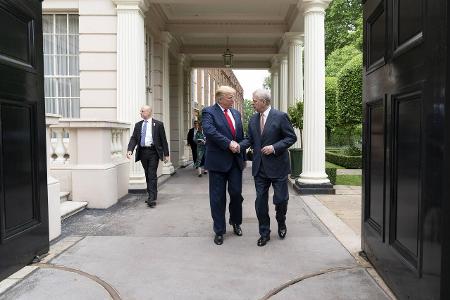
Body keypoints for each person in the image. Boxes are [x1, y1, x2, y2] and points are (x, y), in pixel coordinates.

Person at [240, 89, 297, 247]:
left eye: (255, 101)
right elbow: (249, 140)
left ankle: (281, 222)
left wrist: (274, 147)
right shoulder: (252, 119)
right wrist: (237, 146)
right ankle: (264, 233)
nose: (253, 103)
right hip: (260, 169)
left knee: (280, 200)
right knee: (260, 203)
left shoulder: (280, 116)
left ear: (264, 102)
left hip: (278, 166)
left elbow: (291, 137)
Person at [202, 86, 245, 245]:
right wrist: (228, 144)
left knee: (236, 194)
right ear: (220, 98)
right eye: (230, 97)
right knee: (217, 197)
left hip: (235, 162)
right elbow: (209, 131)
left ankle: (236, 222)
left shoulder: (236, 113)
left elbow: (240, 136)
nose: (233, 100)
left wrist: (242, 154)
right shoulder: (208, 112)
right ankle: (219, 231)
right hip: (217, 162)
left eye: (233, 97)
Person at [127, 105, 170, 208]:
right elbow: (133, 138)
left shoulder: (158, 124)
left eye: (142, 111)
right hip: (142, 152)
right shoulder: (138, 125)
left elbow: (163, 140)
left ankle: (152, 198)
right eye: (140, 111)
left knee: (151, 174)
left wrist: (166, 154)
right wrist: (130, 150)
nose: (140, 113)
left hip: (153, 152)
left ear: (148, 112)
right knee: (147, 174)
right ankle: (151, 194)